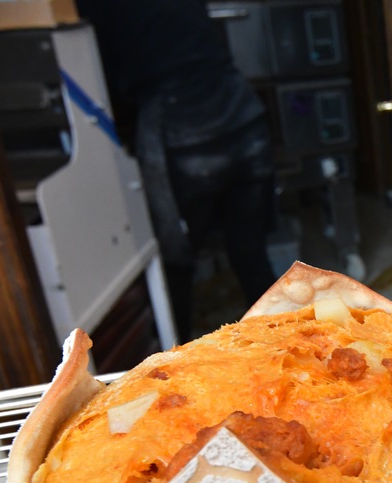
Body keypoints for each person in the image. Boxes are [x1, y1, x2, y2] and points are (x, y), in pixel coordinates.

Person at [75, 0, 278, 342]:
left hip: (178, 132)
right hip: (242, 116)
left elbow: (103, 75)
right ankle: (282, 344)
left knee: (176, 266)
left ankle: (174, 353)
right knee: (250, 254)